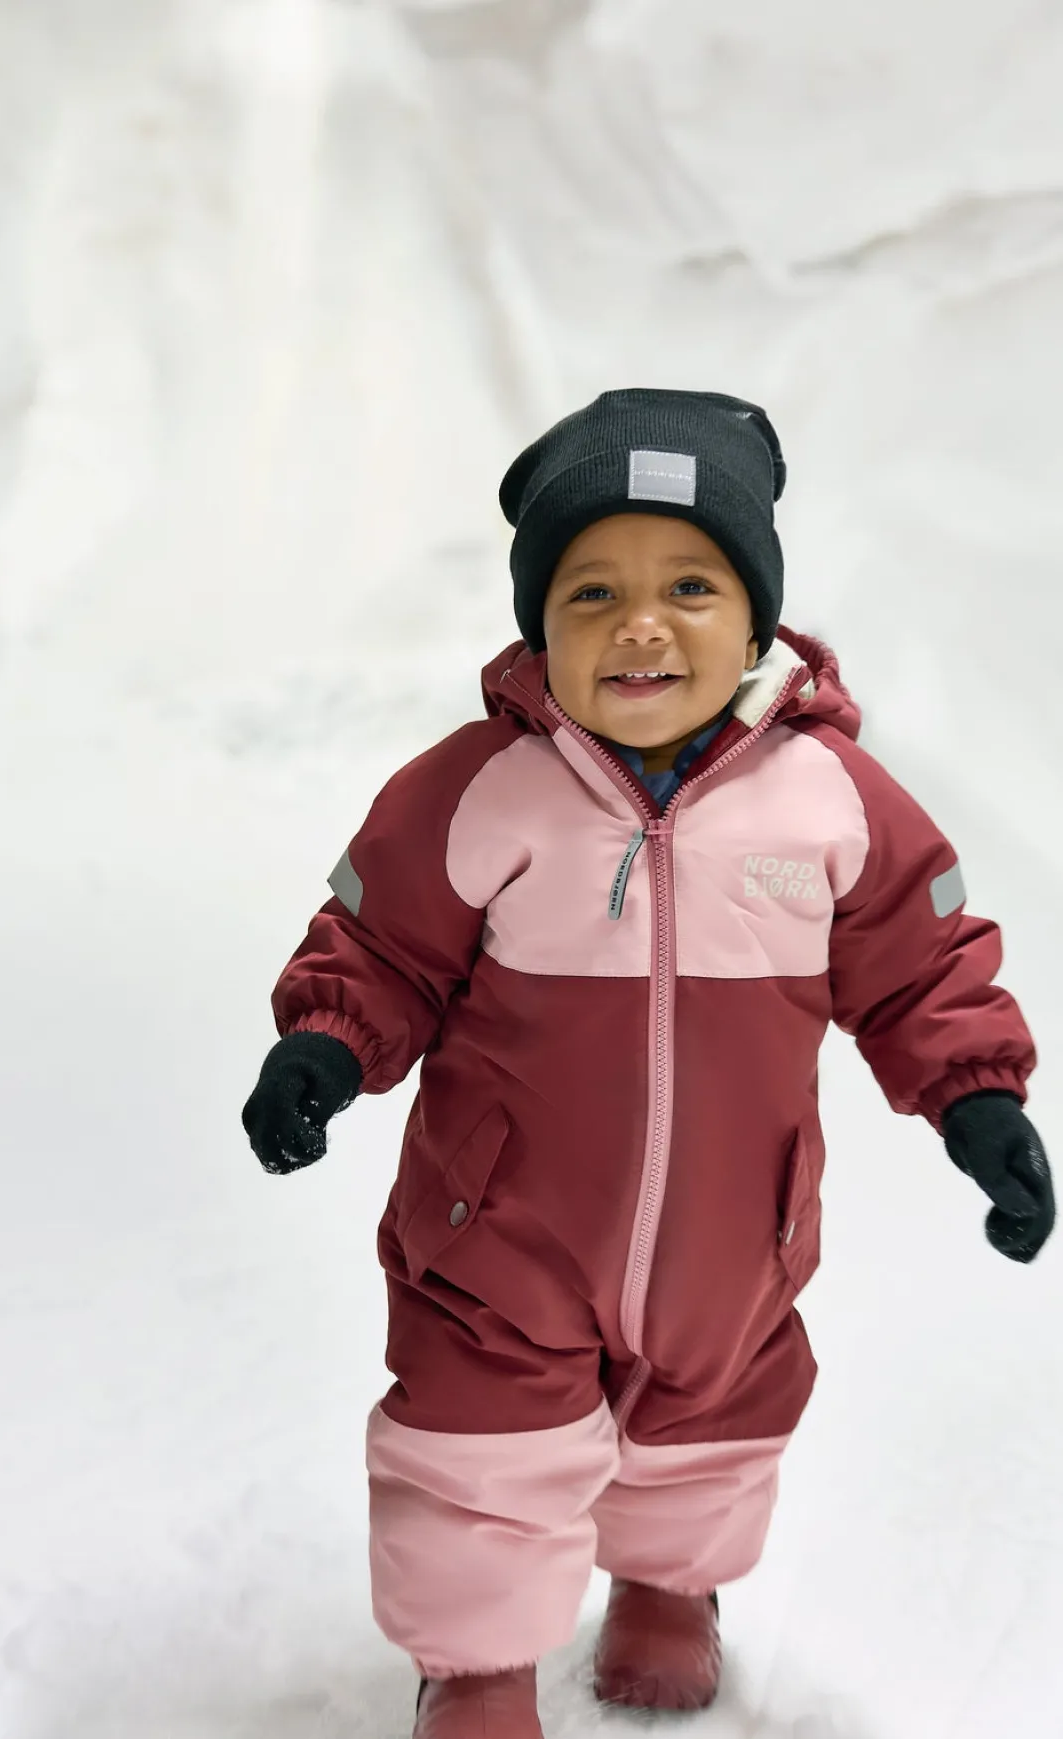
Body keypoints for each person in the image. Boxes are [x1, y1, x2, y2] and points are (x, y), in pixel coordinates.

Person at [241, 389, 1054, 1739]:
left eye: (689, 585)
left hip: (736, 1233)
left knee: (712, 1426)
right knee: (477, 1448)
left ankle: (671, 1586)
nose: (641, 624)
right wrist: (324, 1048)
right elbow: (379, 947)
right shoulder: (479, 790)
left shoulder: (832, 798)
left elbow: (922, 966)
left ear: (757, 619)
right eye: (592, 593)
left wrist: (978, 1101)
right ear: (538, 629)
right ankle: (477, 1666)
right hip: (496, 1233)